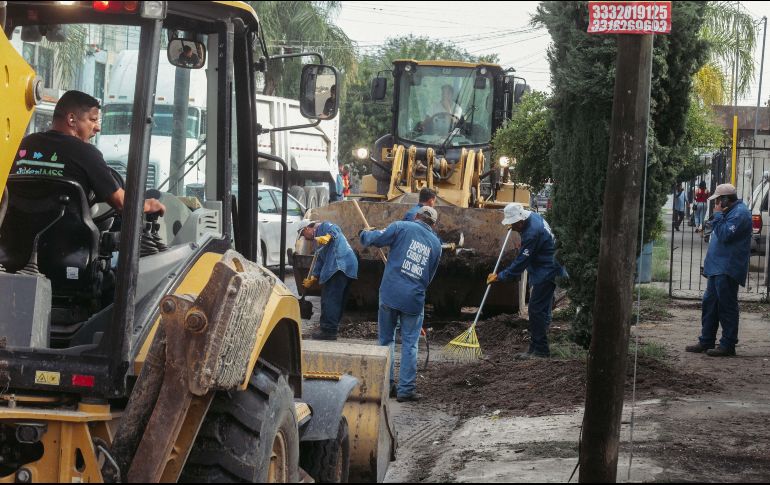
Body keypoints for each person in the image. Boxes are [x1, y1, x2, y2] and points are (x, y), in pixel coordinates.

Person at [12, 90, 165, 215]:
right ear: (72, 119)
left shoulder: (24, 144)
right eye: (93, 120)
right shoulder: (86, 153)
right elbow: (121, 202)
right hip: (68, 246)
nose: (97, 128)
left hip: (14, 243)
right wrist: (148, 205)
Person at [360, 206, 442, 402]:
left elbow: (374, 240)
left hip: (390, 293)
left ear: (416, 216)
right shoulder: (436, 245)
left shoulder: (400, 227)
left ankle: (387, 386)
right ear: (433, 224)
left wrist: (365, 233)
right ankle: (406, 390)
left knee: (386, 341)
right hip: (413, 299)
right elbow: (429, 276)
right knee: (410, 345)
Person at [487, 203, 567, 359]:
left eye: (513, 224)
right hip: (547, 265)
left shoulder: (532, 233)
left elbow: (521, 263)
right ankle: (534, 347)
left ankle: (541, 350)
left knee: (536, 310)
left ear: (520, 221)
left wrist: (500, 276)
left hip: (547, 271)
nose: (512, 227)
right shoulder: (533, 217)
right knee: (541, 310)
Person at [685, 184, 752, 357]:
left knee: (726, 306)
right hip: (717, 267)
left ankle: (728, 344)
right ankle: (706, 340)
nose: (715, 204)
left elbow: (724, 235)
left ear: (724, 200)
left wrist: (718, 216)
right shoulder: (727, 213)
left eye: (717, 200)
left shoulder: (740, 214)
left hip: (728, 268)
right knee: (710, 304)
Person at [299, 220, 358, 340]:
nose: (304, 238)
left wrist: (328, 236)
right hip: (348, 265)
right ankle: (332, 327)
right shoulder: (318, 243)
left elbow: (335, 228)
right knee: (338, 299)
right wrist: (313, 277)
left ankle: (328, 330)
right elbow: (319, 261)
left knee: (330, 298)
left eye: (303, 234)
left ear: (307, 228)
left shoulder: (323, 227)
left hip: (339, 265)